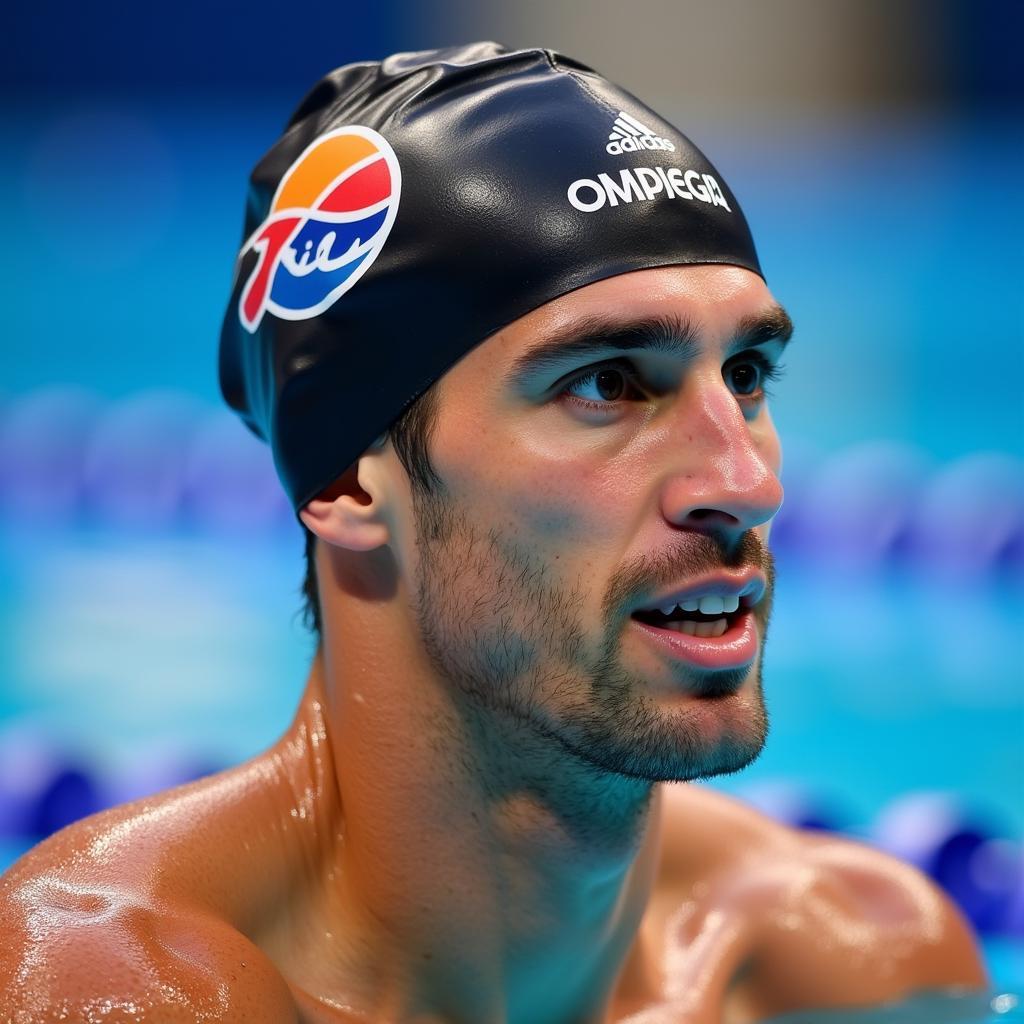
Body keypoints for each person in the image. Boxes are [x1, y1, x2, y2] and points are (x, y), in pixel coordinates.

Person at [0, 42, 988, 1024]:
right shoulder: (114, 990)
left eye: (744, 375)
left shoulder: (856, 962)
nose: (749, 481)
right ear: (348, 474)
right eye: (607, 384)